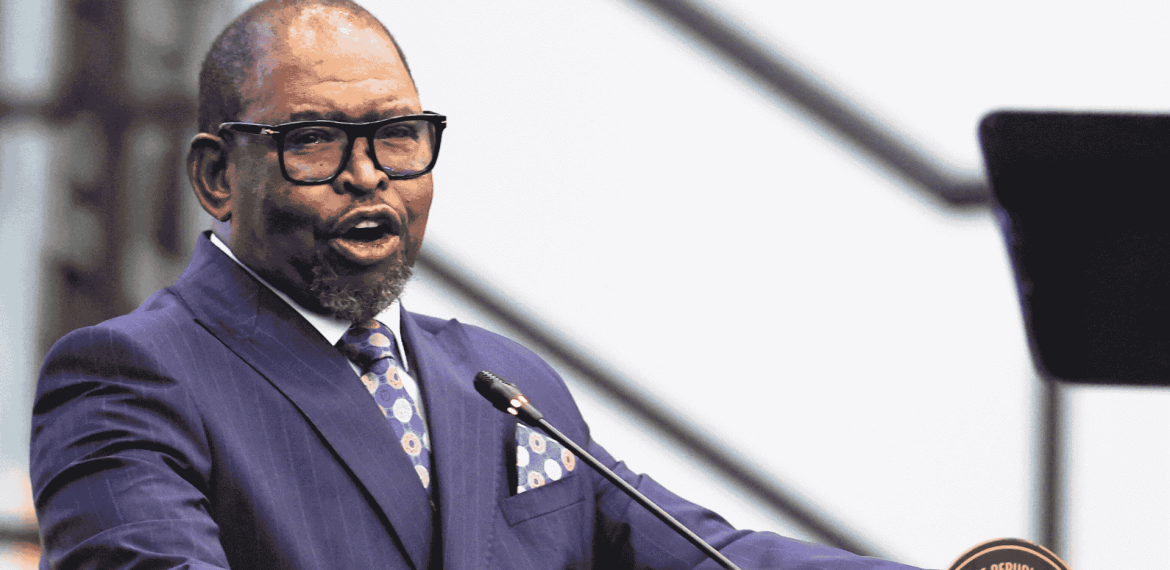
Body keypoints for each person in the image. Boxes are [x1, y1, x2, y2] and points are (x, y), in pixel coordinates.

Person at [29, 1, 922, 569]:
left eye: (398, 136)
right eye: (315, 141)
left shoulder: (501, 383)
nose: (369, 174)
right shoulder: (129, 376)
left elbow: (703, 556)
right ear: (218, 175)